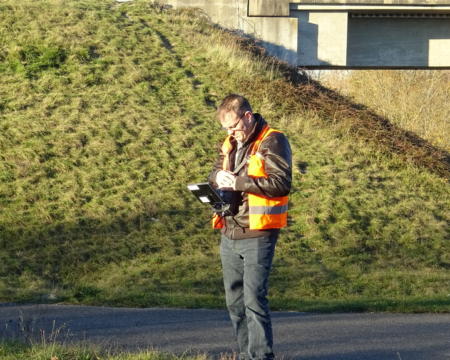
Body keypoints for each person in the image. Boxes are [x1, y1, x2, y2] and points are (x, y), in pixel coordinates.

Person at [209, 94, 292, 360]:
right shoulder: (230, 143)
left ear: (247, 116)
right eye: (226, 129)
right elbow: (213, 173)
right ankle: (246, 355)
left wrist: (238, 183)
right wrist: (216, 177)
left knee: (254, 301)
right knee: (234, 303)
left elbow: (281, 183)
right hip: (229, 230)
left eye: (234, 127)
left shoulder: (274, 140)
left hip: (258, 232)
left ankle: (261, 356)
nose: (231, 133)